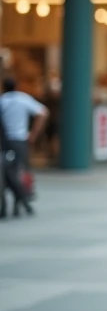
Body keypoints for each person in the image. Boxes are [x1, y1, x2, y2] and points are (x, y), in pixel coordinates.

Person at [0, 77, 46, 219]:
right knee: (21, 171)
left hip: (5, 141)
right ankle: (21, 202)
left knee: (8, 173)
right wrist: (33, 134)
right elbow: (43, 112)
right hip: (21, 140)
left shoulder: (2, 101)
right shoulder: (23, 98)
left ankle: (18, 202)